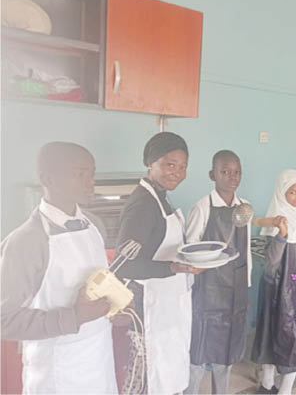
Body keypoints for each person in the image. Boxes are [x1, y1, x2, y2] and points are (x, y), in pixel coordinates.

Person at [1, 142, 125, 393]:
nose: (90, 182)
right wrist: (74, 317)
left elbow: (99, 282)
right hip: (57, 372)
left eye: (92, 173)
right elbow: (5, 320)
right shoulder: (28, 241)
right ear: (48, 179)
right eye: (80, 174)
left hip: (98, 361)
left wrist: (115, 307)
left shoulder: (94, 226)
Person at [115, 132, 202, 394]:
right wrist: (173, 268)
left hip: (168, 307)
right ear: (150, 163)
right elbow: (123, 265)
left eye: (183, 166)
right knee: (146, 380)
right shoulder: (143, 205)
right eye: (170, 164)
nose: (177, 172)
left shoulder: (160, 198)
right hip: (148, 309)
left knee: (166, 375)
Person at [184, 150, 251, 394]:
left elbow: (246, 254)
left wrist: (246, 292)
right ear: (213, 174)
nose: (232, 177)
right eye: (225, 171)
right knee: (198, 355)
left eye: (236, 172)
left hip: (235, 293)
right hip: (206, 292)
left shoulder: (244, 209)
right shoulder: (202, 207)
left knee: (226, 356)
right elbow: (189, 250)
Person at [251, 169, 296, 395]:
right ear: (281, 193)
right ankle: (268, 384)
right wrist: (281, 235)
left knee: (294, 334)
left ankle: (285, 388)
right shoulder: (277, 218)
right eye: (291, 192)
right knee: (273, 331)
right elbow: (271, 263)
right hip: (276, 285)